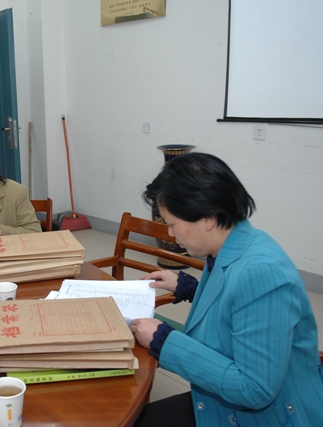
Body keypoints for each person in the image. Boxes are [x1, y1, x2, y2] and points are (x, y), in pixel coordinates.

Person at [130, 153, 323, 426]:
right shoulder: (236, 245)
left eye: (172, 224)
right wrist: (193, 288)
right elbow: (241, 307)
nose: (171, 234)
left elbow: (254, 389)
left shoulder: (262, 274)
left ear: (208, 218)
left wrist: (164, 340)